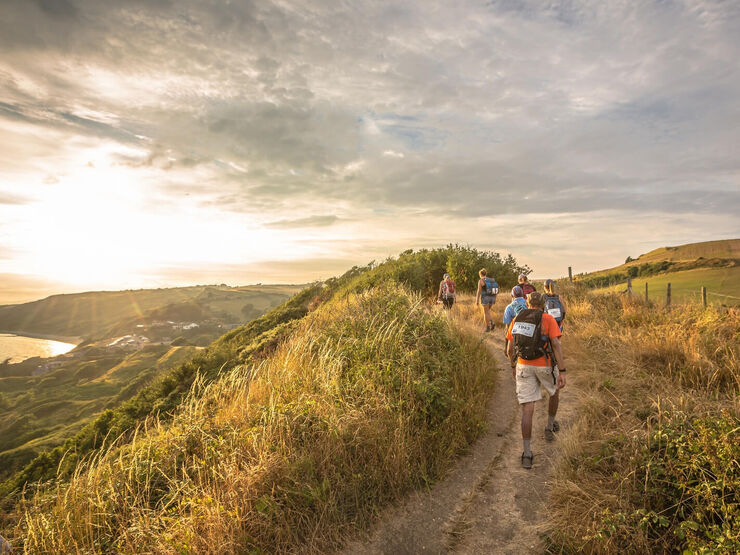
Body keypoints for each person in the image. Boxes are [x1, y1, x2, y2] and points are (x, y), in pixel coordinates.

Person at [506, 291, 567, 469]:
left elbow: (510, 348)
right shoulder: (547, 318)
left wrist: (512, 366)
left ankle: (526, 453)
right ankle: (549, 426)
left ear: (527, 302)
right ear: (543, 304)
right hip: (545, 364)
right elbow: (556, 344)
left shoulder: (517, 318)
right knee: (554, 391)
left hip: (523, 365)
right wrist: (562, 370)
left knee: (527, 410)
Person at [503, 286, 528, 362]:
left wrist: (506, 346)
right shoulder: (528, 303)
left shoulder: (509, 307)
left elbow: (507, 325)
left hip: (516, 332)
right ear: (523, 294)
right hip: (528, 330)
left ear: (512, 295)